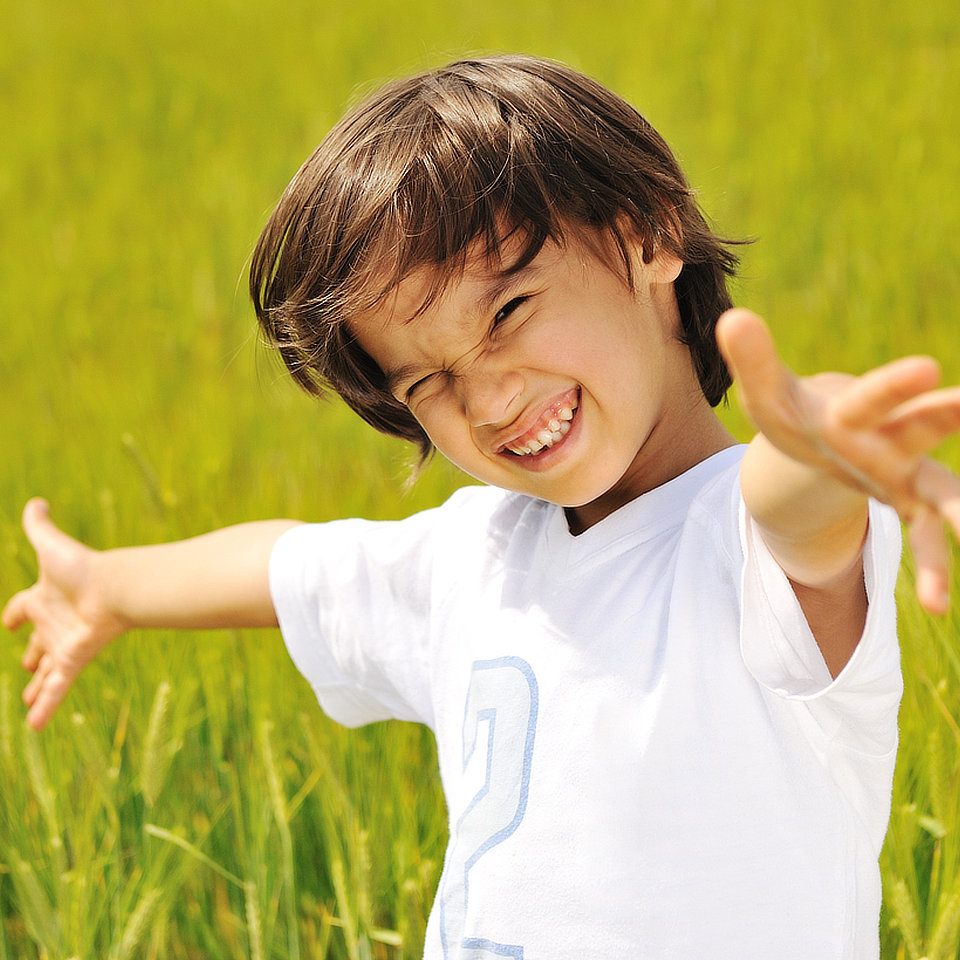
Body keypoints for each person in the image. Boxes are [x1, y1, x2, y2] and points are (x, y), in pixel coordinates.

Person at [4, 55, 960, 959]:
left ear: (649, 234)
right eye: (428, 381)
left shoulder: (744, 547)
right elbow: (290, 568)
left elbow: (797, 502)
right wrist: (108, 585)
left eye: (508, 313)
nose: (492, 399)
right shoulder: (475, 556)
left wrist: (827, 443)